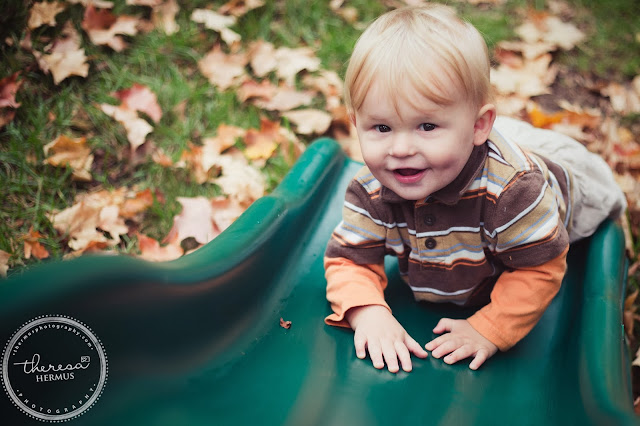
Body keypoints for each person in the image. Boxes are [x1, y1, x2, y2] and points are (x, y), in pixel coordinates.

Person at [324, 4, 626, 373]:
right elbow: (349, 259)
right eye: (382, 128)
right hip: (469, 152)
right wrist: (367, 312)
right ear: (356, 123)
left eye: (426, 126)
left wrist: (490, 327)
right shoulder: (371, 189)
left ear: (479, 126)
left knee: (595, 206)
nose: (400, 150)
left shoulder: (515, 192)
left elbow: (540, 269)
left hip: (559, 188)